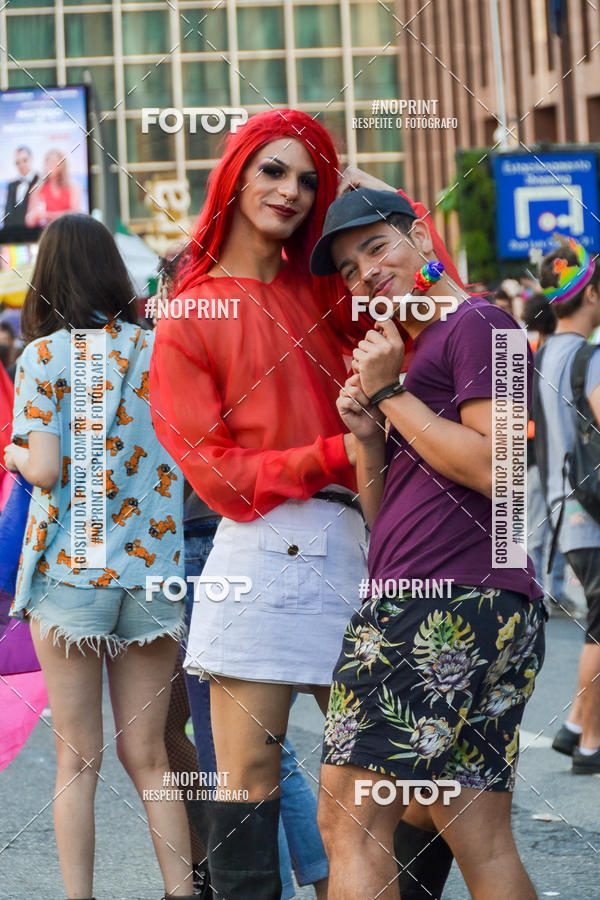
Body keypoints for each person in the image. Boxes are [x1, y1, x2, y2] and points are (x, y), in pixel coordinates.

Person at [149, 108, 373, 898]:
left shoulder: (329, 293)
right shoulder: (189, 313)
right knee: (244, 780)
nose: (292, 190)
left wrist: (378, 209)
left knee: (381, 780)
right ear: (236, 172)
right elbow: (216, 477)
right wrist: (342, 452)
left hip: (360, 548)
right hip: (260, 550)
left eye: (311, 179)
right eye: (274, 169)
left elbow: (429, 320)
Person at [310, 187, 546, 900]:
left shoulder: (482, 324)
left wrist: (391, 397)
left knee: (350, 821)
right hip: (463, 599)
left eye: (376, 248)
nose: (365, 275)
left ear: (421, 236)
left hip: (437, 604)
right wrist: (367, 438)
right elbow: (386, 528)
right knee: (480, 839)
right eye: (349, 269)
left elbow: (496, 469)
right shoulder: (425, 352)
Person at [3, 213, 195, 900]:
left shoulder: (42, 357)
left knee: (76, 759)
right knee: (148, 757)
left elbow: (46, 469)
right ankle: (183, 890)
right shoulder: (159, 348)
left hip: (72, 575)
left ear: (48, 275)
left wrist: (12, 452)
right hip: (153, 571)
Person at [532, 239, 600, 774]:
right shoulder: (588, 357)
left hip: (563, 505)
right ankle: (590, 742)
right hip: (593, 509)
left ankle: (577, 725)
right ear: (591, 294)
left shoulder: (542, 356)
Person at [522, 294, 570, 614]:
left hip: (531, 454)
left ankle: (537, 590)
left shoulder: (525, 352)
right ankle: (558, 591)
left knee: (534, 529)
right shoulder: (561, 352)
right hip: (562, 455)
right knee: (561, 525)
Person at [25, 148, 82, 227]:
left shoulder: (73, 187)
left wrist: (48, 215)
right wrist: (35, 215)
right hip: (46, 232)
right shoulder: (38, 188)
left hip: (68, 231)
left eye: (54, 163)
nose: (50, 166)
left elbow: (75, 214)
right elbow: (29, 221)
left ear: (62, 165)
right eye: (48, 163)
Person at [3, 146, 39, 229]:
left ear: (31, 159)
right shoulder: (11, 185)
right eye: (17, 162)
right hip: (13, 235)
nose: (21, 164)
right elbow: (8, 212)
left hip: (35, 233)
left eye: (24, 160)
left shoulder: (40, 181)